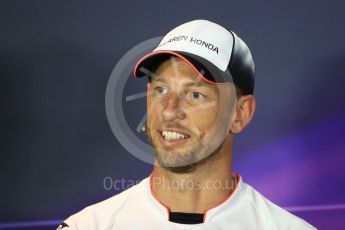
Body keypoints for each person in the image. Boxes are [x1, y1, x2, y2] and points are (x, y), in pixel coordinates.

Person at [57, 19, 316, 229]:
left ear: (240, 114)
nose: (170, 111)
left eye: (195, 95)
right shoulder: (88, 226)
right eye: (160, 90)